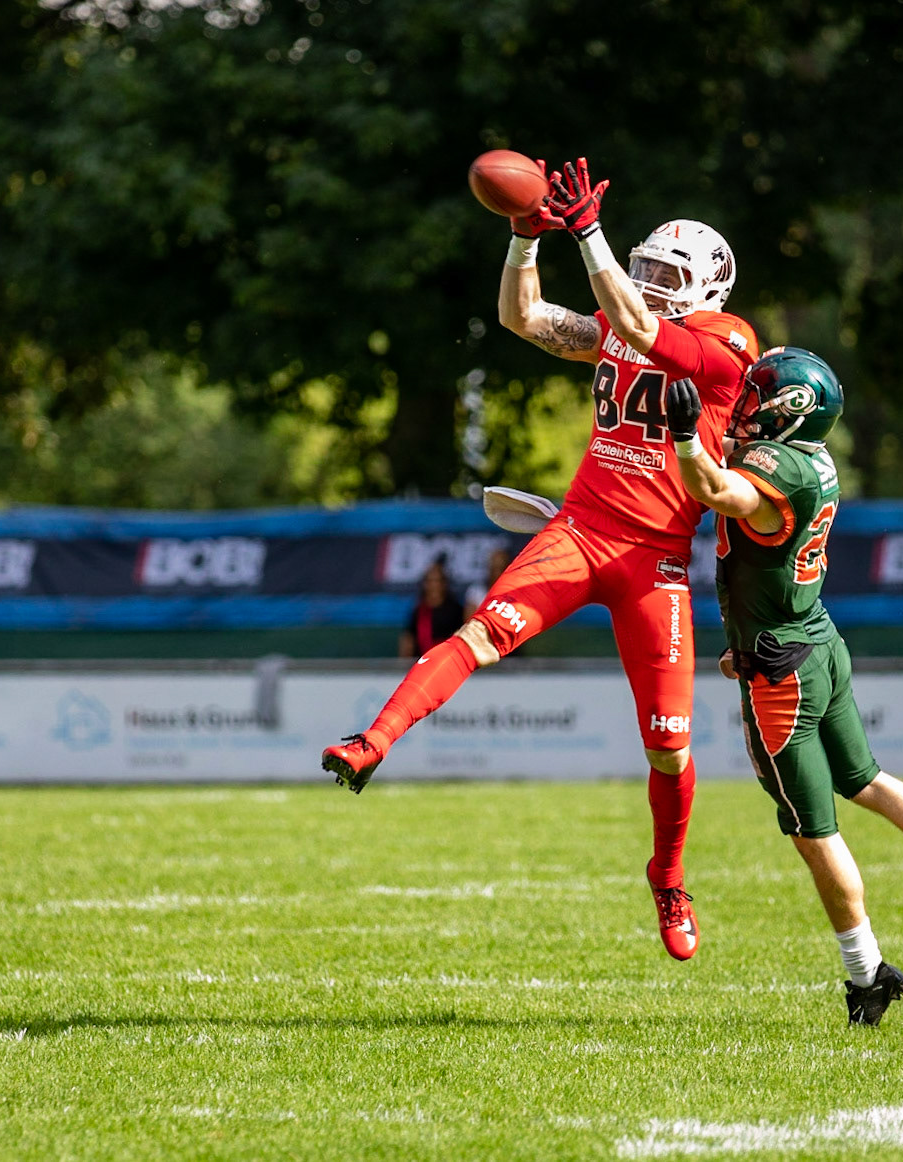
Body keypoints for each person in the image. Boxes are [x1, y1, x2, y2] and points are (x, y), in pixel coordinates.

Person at [322, 157, 759, 961]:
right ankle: (374, 740)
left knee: (669, 744)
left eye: (668, 274)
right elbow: (524, 318)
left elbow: (639, 329)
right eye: (645, 268)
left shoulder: (726, 343)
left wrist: (587, 233)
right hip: (581, 530)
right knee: (480, 633)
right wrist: (525, 238)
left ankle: (668, 878)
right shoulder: (625, 320)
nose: (650, 282)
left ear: (710, 287)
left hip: (657, 561)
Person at [664, 346, 903, 1024]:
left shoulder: (779, 471)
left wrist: (685, 437)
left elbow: (718, 490)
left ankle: (867, 975)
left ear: (790, 411)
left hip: (783, 673)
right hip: (818, 643)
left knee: (814, 832)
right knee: (866, 780)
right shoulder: (814, 460)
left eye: (758, 396)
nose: (745, 406)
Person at [399, 558, 464, 658]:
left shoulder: (456, 610)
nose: (433, 585)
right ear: (425, 584)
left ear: (444, 584)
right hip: (422, 661)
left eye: (437, 581)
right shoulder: (418, 611)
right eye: (430, 581)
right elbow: (409, 639)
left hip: (448, 660)